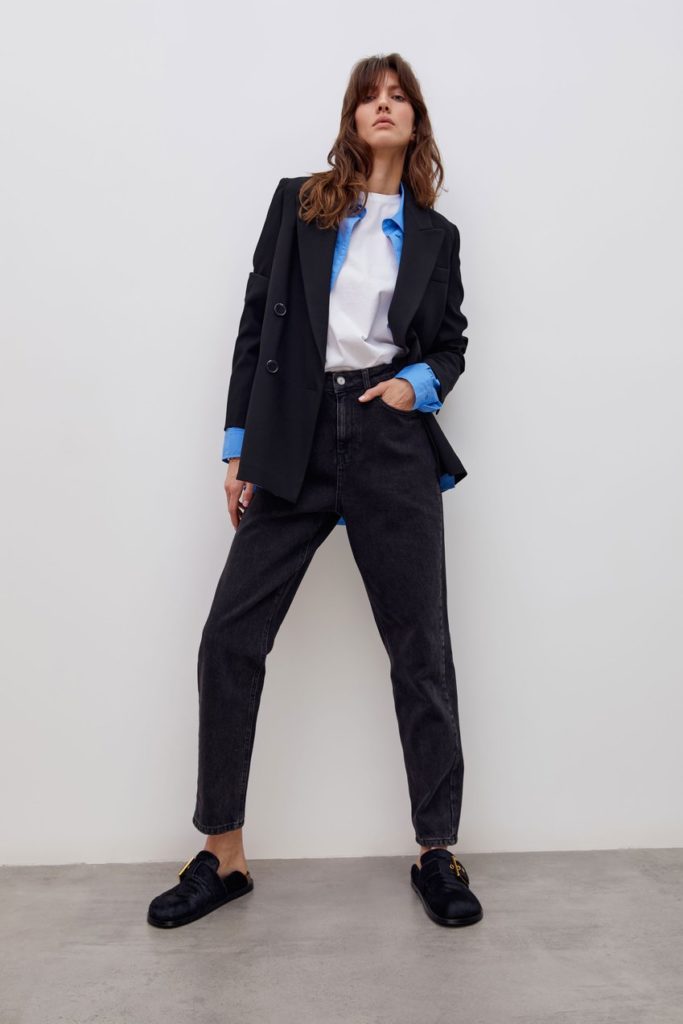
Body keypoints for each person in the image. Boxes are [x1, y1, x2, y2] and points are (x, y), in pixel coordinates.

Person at [147, 53, 483, 930]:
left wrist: (416, 385)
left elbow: (450, 342)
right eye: (370, 97)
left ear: (414, 121)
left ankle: (436, 852)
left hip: (388, 439)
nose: (383, 106)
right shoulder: (300, 203)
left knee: (421, 649)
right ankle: (222, 855)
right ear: (351, 117)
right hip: (292, 437)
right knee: (230, 638)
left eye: (397, 97)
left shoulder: (437, 236)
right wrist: (238, 448)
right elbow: (254, 327)